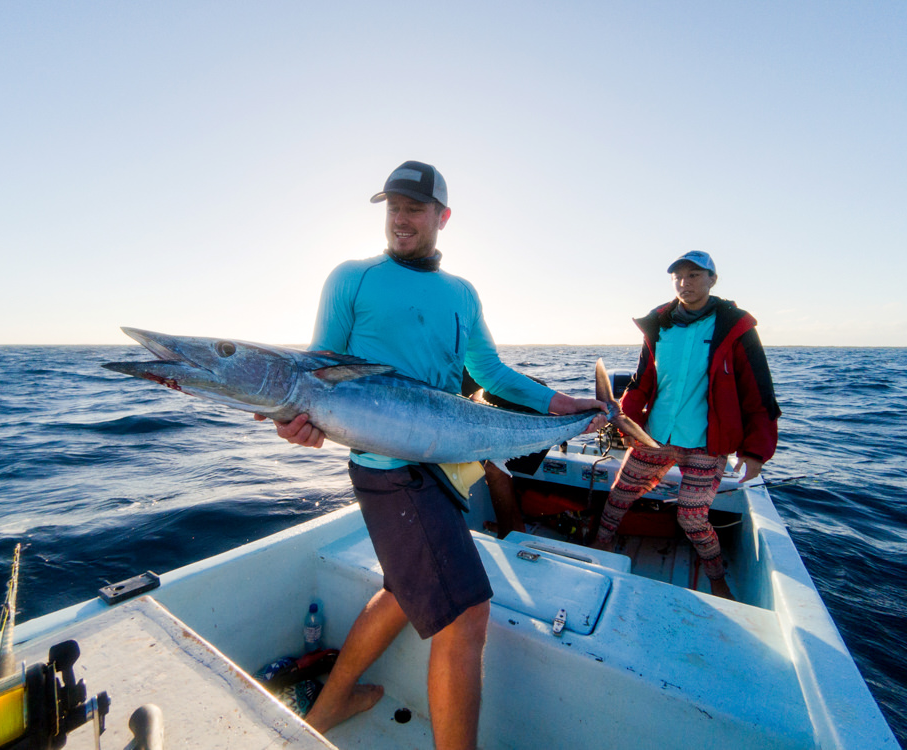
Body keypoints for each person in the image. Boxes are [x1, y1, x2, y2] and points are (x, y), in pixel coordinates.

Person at [258, 160, 605, 749]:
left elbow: (486, 371)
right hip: (389, 473)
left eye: (414, 208)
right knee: (467, 615)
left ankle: (333, 703)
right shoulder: (352, 278)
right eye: (392, 206)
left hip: (443, 464)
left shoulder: (461, 294)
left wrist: (560, 404)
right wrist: (299, 421)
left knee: (401, 590)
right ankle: (334, 705)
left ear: (443, 217)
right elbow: (317, 373)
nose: (400, 218)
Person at [592, 251, 780, 600]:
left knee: (692, 518)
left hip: (708, 442)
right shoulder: (660, 325)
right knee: (618, 497)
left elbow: (759, 391)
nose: (685, 282)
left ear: (713, 279)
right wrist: (624, 421)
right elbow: (641, 381)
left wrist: (756, 451)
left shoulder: (734, 327)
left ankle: (717, 576)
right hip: (656, 437)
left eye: (694, 275)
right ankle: (600, 544)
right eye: (678, 276)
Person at [460, 369, 552, 538]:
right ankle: (515, 527)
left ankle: (507, 533)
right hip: (529, 405)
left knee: (495, 468)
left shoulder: (452, 372)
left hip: (535, 414)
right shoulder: (463, 367)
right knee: (497, 468)